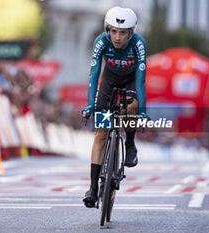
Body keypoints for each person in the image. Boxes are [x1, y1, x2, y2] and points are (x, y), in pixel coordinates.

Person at [81, 6, 148, 208]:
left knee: (131, 107)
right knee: (101, 133)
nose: (118, 37)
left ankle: (129, 144)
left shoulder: (139, 44)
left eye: (123, 32)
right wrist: (89, 105)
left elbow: (141, 82)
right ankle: (93, 188)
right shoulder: (101, 42)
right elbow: (93, 74)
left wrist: (143, 112)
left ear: (131, 32)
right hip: (109, 80)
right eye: (114, 31)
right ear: (108, 30)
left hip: (130, 81)